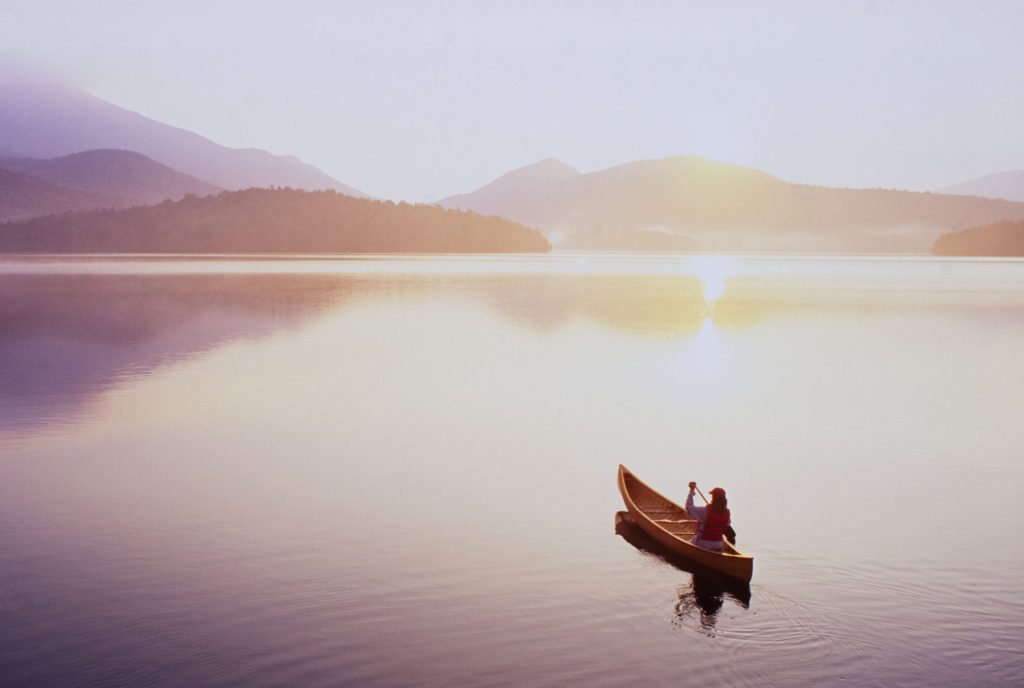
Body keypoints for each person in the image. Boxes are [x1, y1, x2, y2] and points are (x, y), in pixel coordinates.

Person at [685, 482, 732, 551]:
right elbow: (727, 523)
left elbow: (688, 507)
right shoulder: (727, 513)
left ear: (713, 498)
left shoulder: (704, 511)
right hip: (718, 544)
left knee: (692, 539)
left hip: (703, 544)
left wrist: (691, 491)